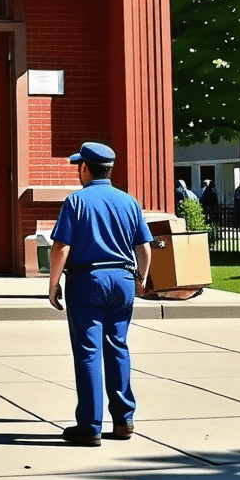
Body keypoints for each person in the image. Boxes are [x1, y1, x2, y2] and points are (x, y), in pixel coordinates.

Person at [48, 141, 153, 446]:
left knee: (89, 351)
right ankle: (124, 420)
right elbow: (144, 247)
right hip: (122, 279)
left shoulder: (76, 201)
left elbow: (61, 247)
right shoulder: (129, 201)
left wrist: (53, 284)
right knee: (118, 346)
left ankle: (90, 425)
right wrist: (141, 278)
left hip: (88, 280)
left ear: (84, 167)